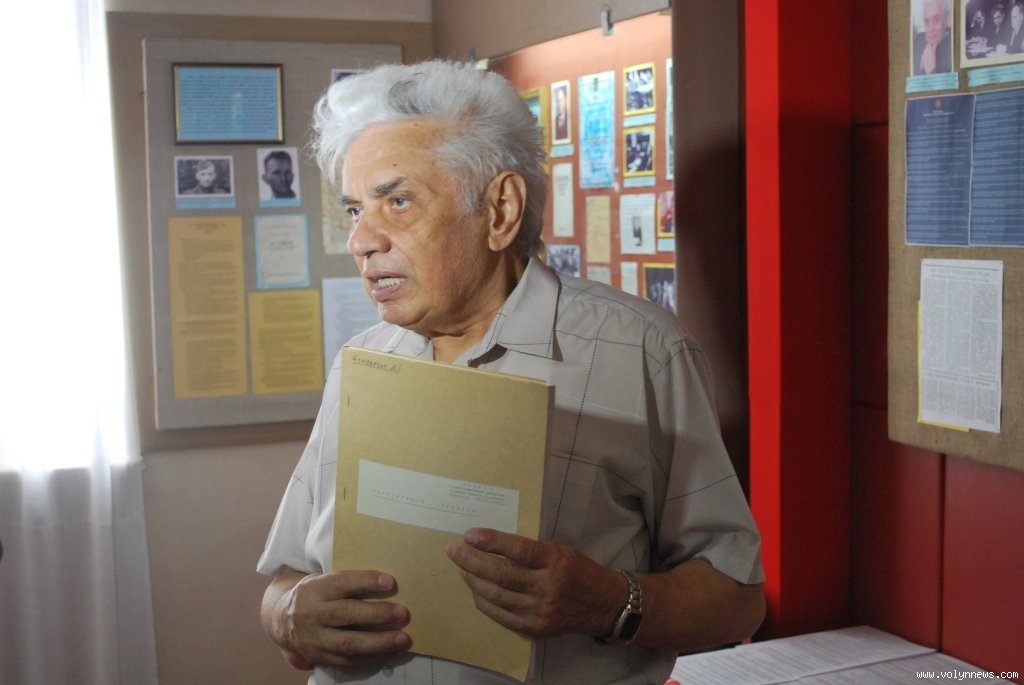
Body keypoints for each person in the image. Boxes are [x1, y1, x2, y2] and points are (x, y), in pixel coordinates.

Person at [258, 60, 764, 685]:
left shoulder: (642, 352)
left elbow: (737, 598)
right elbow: (285, 576)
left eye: (398, 202)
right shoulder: (361, 360)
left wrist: (608, 602)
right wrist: (287, 616)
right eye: (356, 209)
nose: (361, 240)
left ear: (500, 210)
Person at [913, 0, 952, 75]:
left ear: (946, 19)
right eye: (927, 22)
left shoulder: (953, 47)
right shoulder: (918, 40)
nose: (931, 29)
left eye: (936, 20)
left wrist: (931, 70)